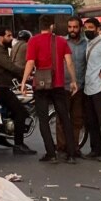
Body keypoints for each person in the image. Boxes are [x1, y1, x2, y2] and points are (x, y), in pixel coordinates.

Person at [20, 15, 79, 164]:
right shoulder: (61, 41)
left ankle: (51, 153)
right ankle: (71, 153)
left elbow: (30, 62)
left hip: (40, 85)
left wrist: (23, 81)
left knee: (44, 120)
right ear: (52, 26)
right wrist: (73, 80)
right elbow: (69, 62)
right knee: (65, 118)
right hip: (58, 85)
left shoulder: (33, 41)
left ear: (40, 26)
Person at [0, 27, 36, 155]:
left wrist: (22, 78)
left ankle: (5, 133)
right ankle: (18, 145)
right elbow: (10, 67)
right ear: (0, 37)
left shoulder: (2, 50)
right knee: (20, 112)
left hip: (2, 85)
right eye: (8, 36)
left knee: (14, 110)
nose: (11, 38)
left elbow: (8, 70)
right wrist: (27, 73)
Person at [81, 17, 101, 161]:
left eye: (91, 27)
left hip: (100, 89)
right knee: (91, 121)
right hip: (89, 88)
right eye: (86, 27)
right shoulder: (88, 44)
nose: (88, 30)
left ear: (97, 28)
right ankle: (96, 149)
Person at [58, 17, 88, 157]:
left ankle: (74, 147)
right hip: (63, 86)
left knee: (77, 119)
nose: (72, 30)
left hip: (80, 87)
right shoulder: (62, 42)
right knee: (62, 119)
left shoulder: (86, 44)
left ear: (80, 28)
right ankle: (62, 148)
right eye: (70, 27)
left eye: (75, 27)